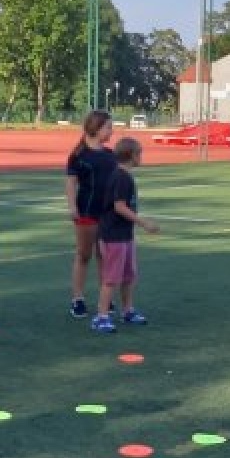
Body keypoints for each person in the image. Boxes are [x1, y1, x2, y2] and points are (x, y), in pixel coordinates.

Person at [91, 136, 160, 333]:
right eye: (140, 154)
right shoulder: (121, 178)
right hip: (113, 235)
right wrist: (143, 222)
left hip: (124, 234)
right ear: (131, 156)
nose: (142, 157)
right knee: (111, 277)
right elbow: (119, 207)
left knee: (129, 274)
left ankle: (127, 310)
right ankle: (101, 316)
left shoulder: (125, 176)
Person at [65, 109, 117, 319]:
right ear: (96, 129)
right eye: (108, 127)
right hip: (86, 211)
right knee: (84, 254)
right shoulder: (79, 156)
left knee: (104, 255)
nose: (111, 131)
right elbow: (70, 183)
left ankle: (105, 298)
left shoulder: (110, 155)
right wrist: (72, 207)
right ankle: (77, 299)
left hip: (107, 213)